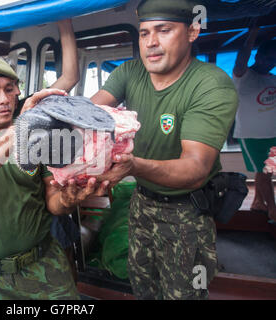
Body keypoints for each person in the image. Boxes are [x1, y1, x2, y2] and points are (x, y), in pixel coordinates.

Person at [90, 0, 238, 299]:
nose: (151, 43)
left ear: (192, 32)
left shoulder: (210, 84)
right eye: (144, 33)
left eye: (164, 30)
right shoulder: (129, 73)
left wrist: (133, 166)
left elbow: (195, 169)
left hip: (187, 211)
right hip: (141, 202)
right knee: (142, 285)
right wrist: (54, 109)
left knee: (184, 294)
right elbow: (89, 112)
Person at [0, 52, 109, 299]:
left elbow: (52, 201)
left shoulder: (36, 134)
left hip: (44, 264)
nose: (4, 99)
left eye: (9, 89)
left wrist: (69, 198)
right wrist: (16, 131)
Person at [232, 25, 275, 222]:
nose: (270, 62)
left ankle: (258, 201)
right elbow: (241, 60)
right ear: (258, 55)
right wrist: (253, 31)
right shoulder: (244, 76)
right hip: (252, 136)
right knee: (264, 171)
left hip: (272, 134)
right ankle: (273, 211)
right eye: (267, 57)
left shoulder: (272, 79)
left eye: (274, 59)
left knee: (265, 171)